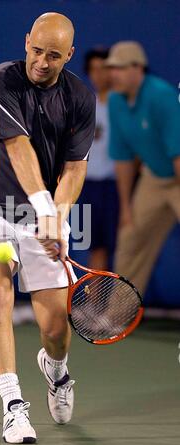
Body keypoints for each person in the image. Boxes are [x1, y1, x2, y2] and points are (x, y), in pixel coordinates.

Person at [0, 12, 95, 444]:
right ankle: (13, 406)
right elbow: (18, 149)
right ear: (26, 43)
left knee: (56, 330)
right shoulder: (0, 81)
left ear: (69, 55)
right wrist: (45, 210)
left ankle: (56, 372)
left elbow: (75, 168)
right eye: (36, 50)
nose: (42, 61)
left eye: (53, 55)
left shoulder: (79, 95)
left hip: (42, 216)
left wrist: (56, 215)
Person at [106, 41, 180, 295]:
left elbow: (178, 154)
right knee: (130, 238)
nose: (112, 74)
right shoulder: (115, 101)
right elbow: (123, 158)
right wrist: (126, 207)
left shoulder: (163, 96)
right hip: (154, 178)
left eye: (119, 68)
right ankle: (117, 318)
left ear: (138, 69)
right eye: (110, 68)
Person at [80, 47, 118, 270]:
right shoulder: (84, 105)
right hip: (87, 186)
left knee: (120, 246)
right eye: (93, 69)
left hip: (115, 187)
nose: (98, 75)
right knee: (96, 247)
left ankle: (120, 302)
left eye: (103, 69)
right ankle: (96, 304)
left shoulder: (121, 106)